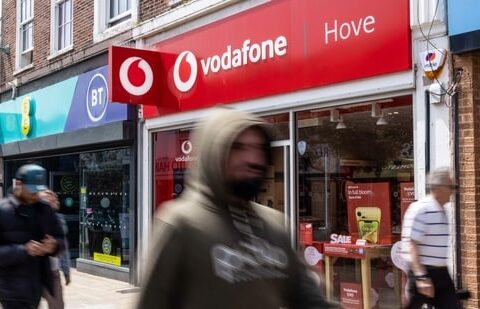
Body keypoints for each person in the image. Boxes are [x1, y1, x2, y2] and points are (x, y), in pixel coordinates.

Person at [137, 108, 333, 309]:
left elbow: (308, 300)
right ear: (213, 153)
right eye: (238, 148)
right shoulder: (180, 225)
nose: (253, 159)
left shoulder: (275, 226)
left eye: (259, 148)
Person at [0, 164, 65, 309]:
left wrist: (53, 246)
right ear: (18, 184)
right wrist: (24, 250)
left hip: (37, 287)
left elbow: (61, 240)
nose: (35, 196)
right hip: (11, 292)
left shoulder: (45, 209)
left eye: (37, 191)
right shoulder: (3, 211)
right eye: (31, 191)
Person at [401, 167, 459, 309]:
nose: (454, 191)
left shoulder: (442, 211)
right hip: (424, 272)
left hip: (442, 274)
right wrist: (421, 276)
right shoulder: (421, 209)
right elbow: (411, 244)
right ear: (438, 188)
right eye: (451, 187)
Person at [40, 189, 71, 309]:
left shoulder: (59, 220)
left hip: (52, 273)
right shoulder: (30, 218)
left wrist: (67, 272)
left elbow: (64, 249)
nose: (51, 203)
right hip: (33, 271)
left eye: (53, 200)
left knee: (57, 305)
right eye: (46, 201)